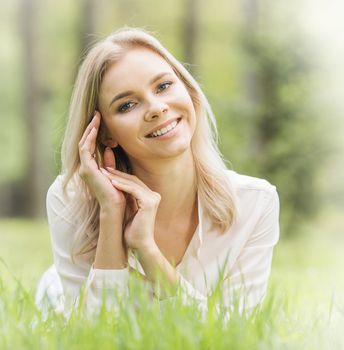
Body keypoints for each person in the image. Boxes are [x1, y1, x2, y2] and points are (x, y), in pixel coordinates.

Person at [35, 27, 280, 317]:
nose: (156, 108)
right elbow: (93, 336)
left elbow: (233, 334)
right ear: (105, 135)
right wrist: (111, 214)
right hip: (55, 300)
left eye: (163, 86)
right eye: (127, 105)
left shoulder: (255, 203)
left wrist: (147, 252)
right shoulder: (70, 200)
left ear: (188, 91)